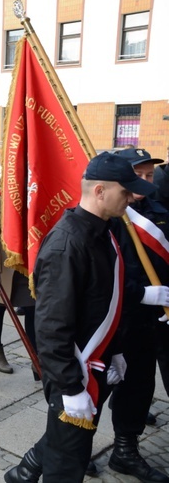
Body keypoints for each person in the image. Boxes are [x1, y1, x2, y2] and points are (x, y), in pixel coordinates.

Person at [4, 152, 164, 482]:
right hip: (74, 374)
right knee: (66, 468)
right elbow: (51, 327)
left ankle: (23, 472)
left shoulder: (104, 231)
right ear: (100, 191)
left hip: (97, 364)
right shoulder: (68, 243)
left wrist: (117, 350)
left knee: (72, 452)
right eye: (126, 190)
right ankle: (26, 471)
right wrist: (69, 387)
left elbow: (107, 299)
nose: (133, 197)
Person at [106, 148, 169, 482]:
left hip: (150, 321)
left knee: (140, 387)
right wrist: (142, 292)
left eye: (149, 175)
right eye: (139, 176)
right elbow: (104, 275)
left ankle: (124, 450)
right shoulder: (110, 216)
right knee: (96, 390)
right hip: (114, 319)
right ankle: (73, 448)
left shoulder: (157, 209)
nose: (146, 182)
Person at [0, 175, 36, 375]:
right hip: (4, 266)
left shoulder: (31, 196)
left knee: (32, 310)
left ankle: (35, 358)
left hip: (25, 265)